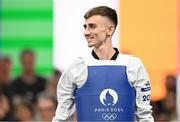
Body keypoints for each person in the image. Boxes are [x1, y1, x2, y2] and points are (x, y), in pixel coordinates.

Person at [53, 6, 154, 121]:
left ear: (109, 30)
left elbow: (145, 116)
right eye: (85, 27)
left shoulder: (133, 65)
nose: (86, 32)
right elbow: (62, 117)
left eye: (92, 26)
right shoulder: (76, 67)